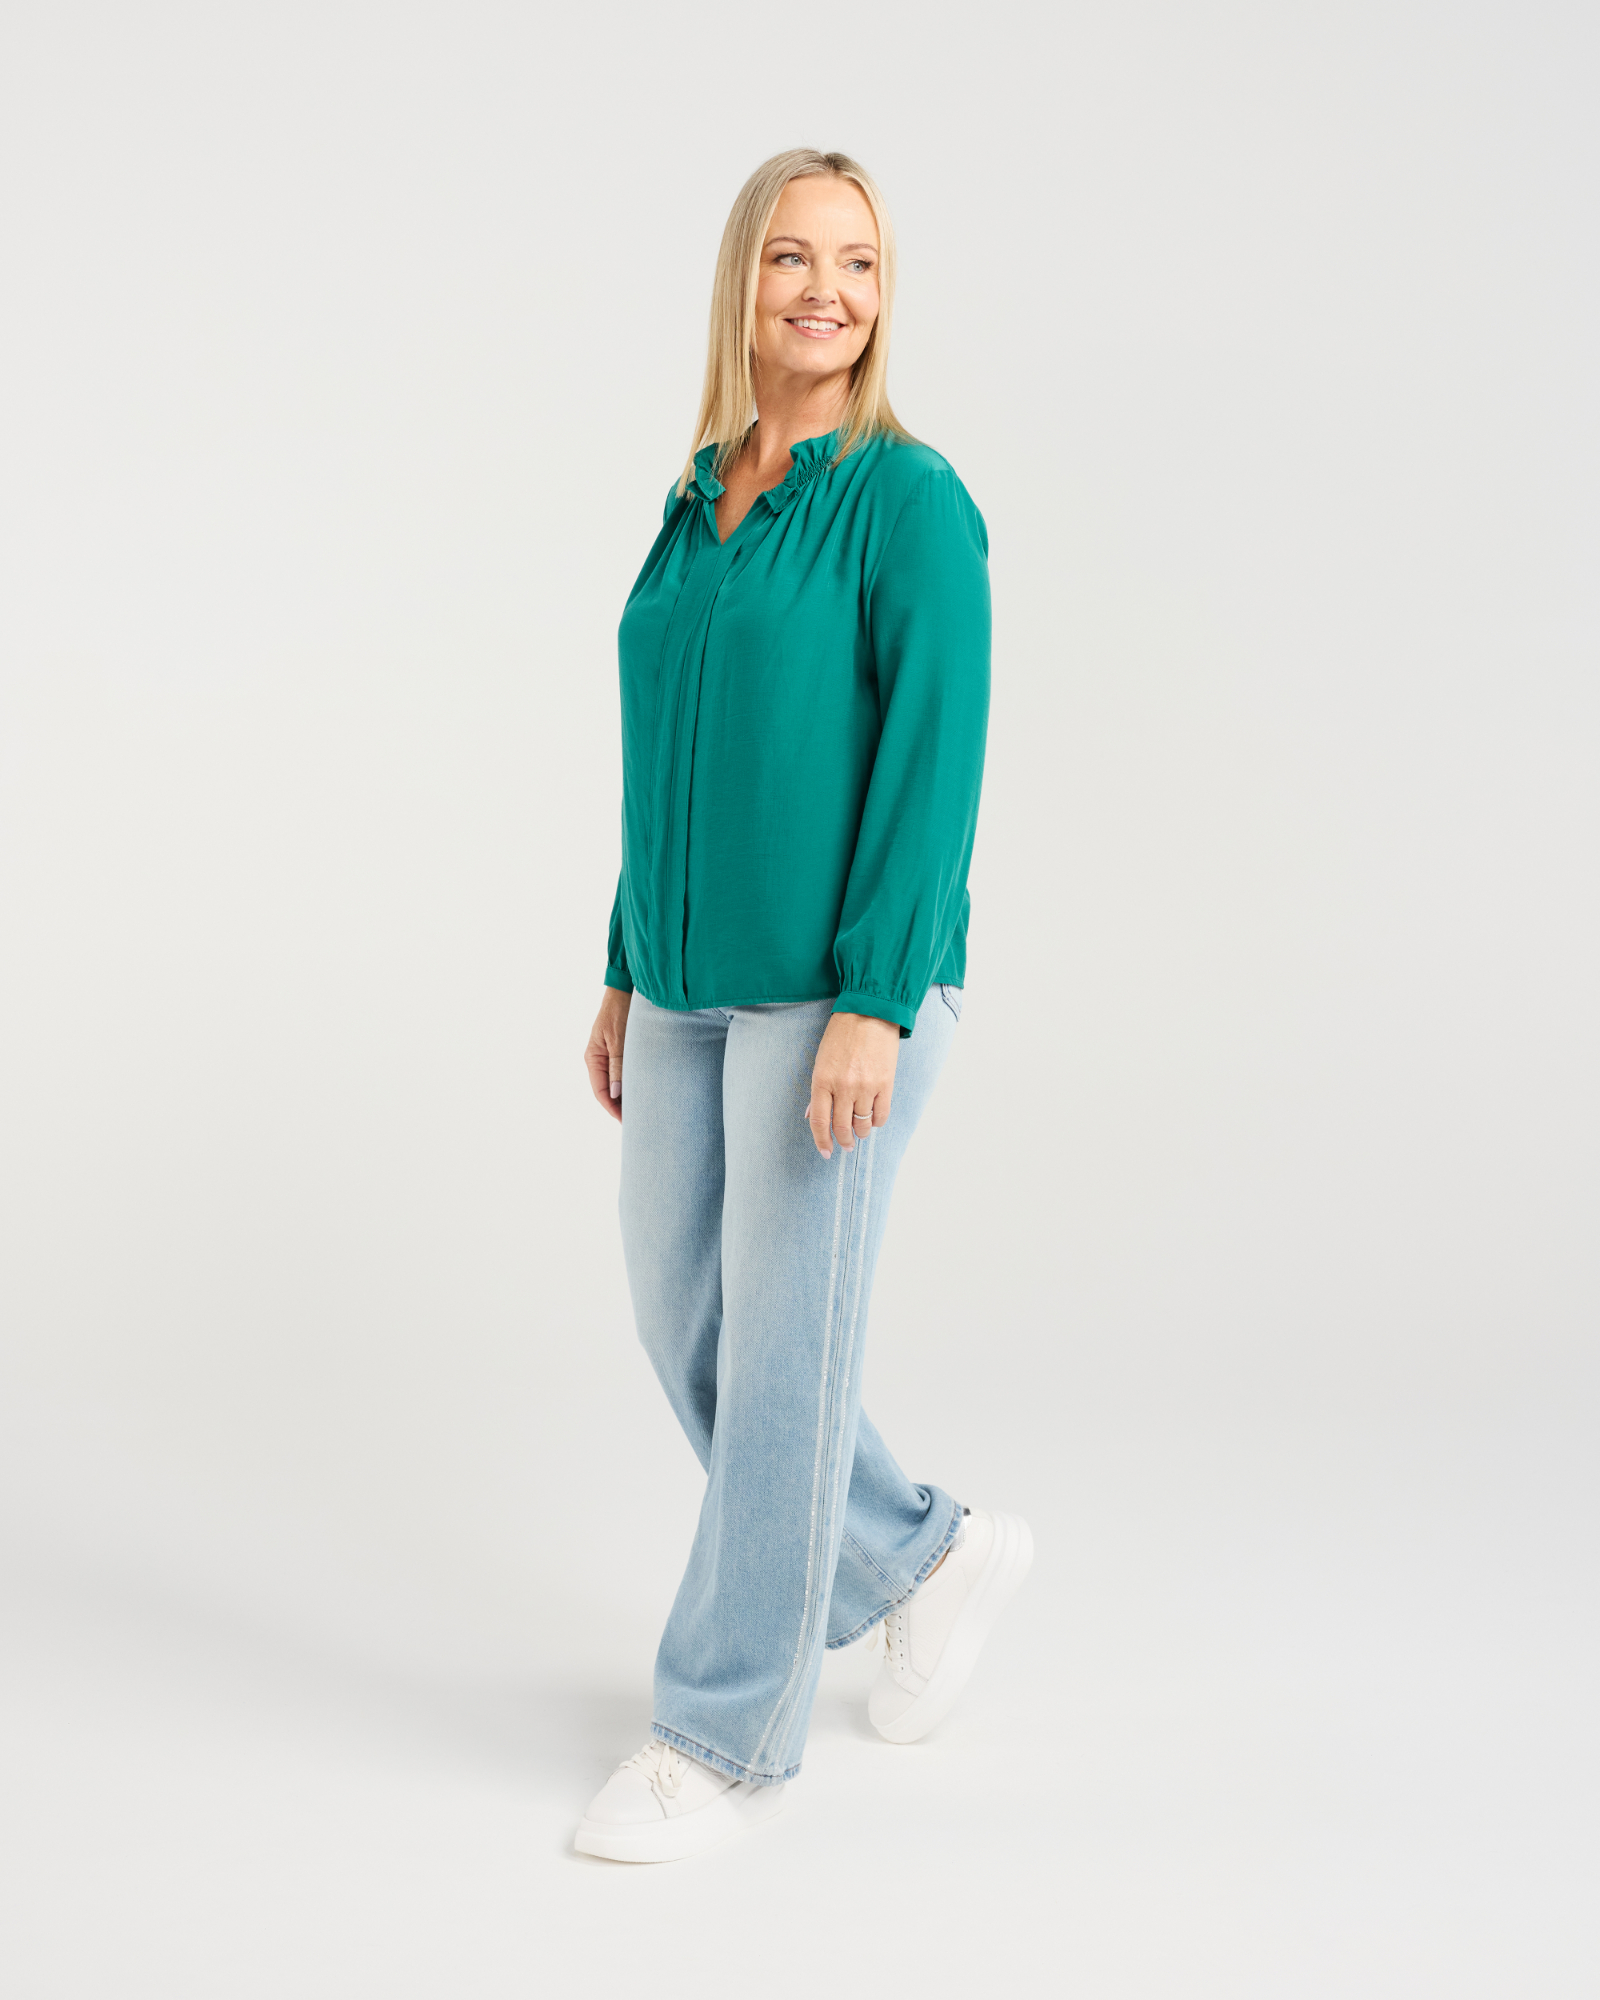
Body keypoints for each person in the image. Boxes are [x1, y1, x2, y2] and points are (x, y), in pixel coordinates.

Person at [576, 148, 1032, 1865]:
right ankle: (922, 1556)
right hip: (684, 987)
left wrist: (879, 999)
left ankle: (722, 1731)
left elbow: (935, 760)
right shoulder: (699, 497)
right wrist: (625, 961)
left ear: (883, 297)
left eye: (856, 262)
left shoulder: (909, 502)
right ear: (742, 282)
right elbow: (664, 760)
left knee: (782, 1365)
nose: (824, 290)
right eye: (791, 256)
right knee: (686, 1322)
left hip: (831, 999)